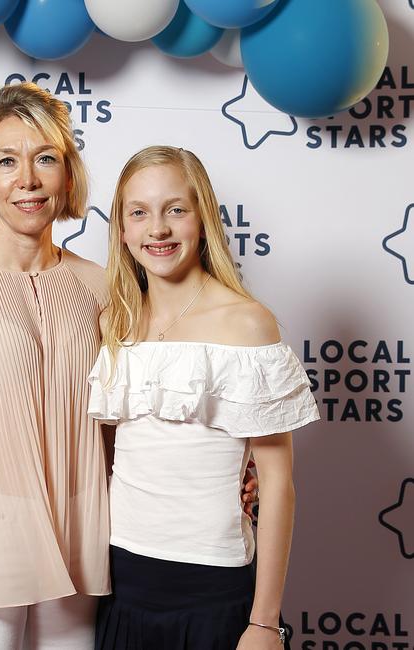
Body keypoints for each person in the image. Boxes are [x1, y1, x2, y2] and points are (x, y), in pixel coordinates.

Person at [0, 84, 258, 650]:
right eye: (6, 161)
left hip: (83, 545)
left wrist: (232, 468)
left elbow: (131, 415)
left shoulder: (103, 288)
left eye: (45, 159)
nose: (27, 180)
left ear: (68, 174)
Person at [88, 146, 320, 650]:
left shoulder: (246, 323)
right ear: (122, 230)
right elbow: (108, 456)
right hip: (120, 582)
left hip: (214, 586)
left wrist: (264, 622)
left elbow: (277, 484)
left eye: (176, 209)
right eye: (139, 213)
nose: (158, 230)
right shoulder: (115, 323)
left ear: (203, 217)